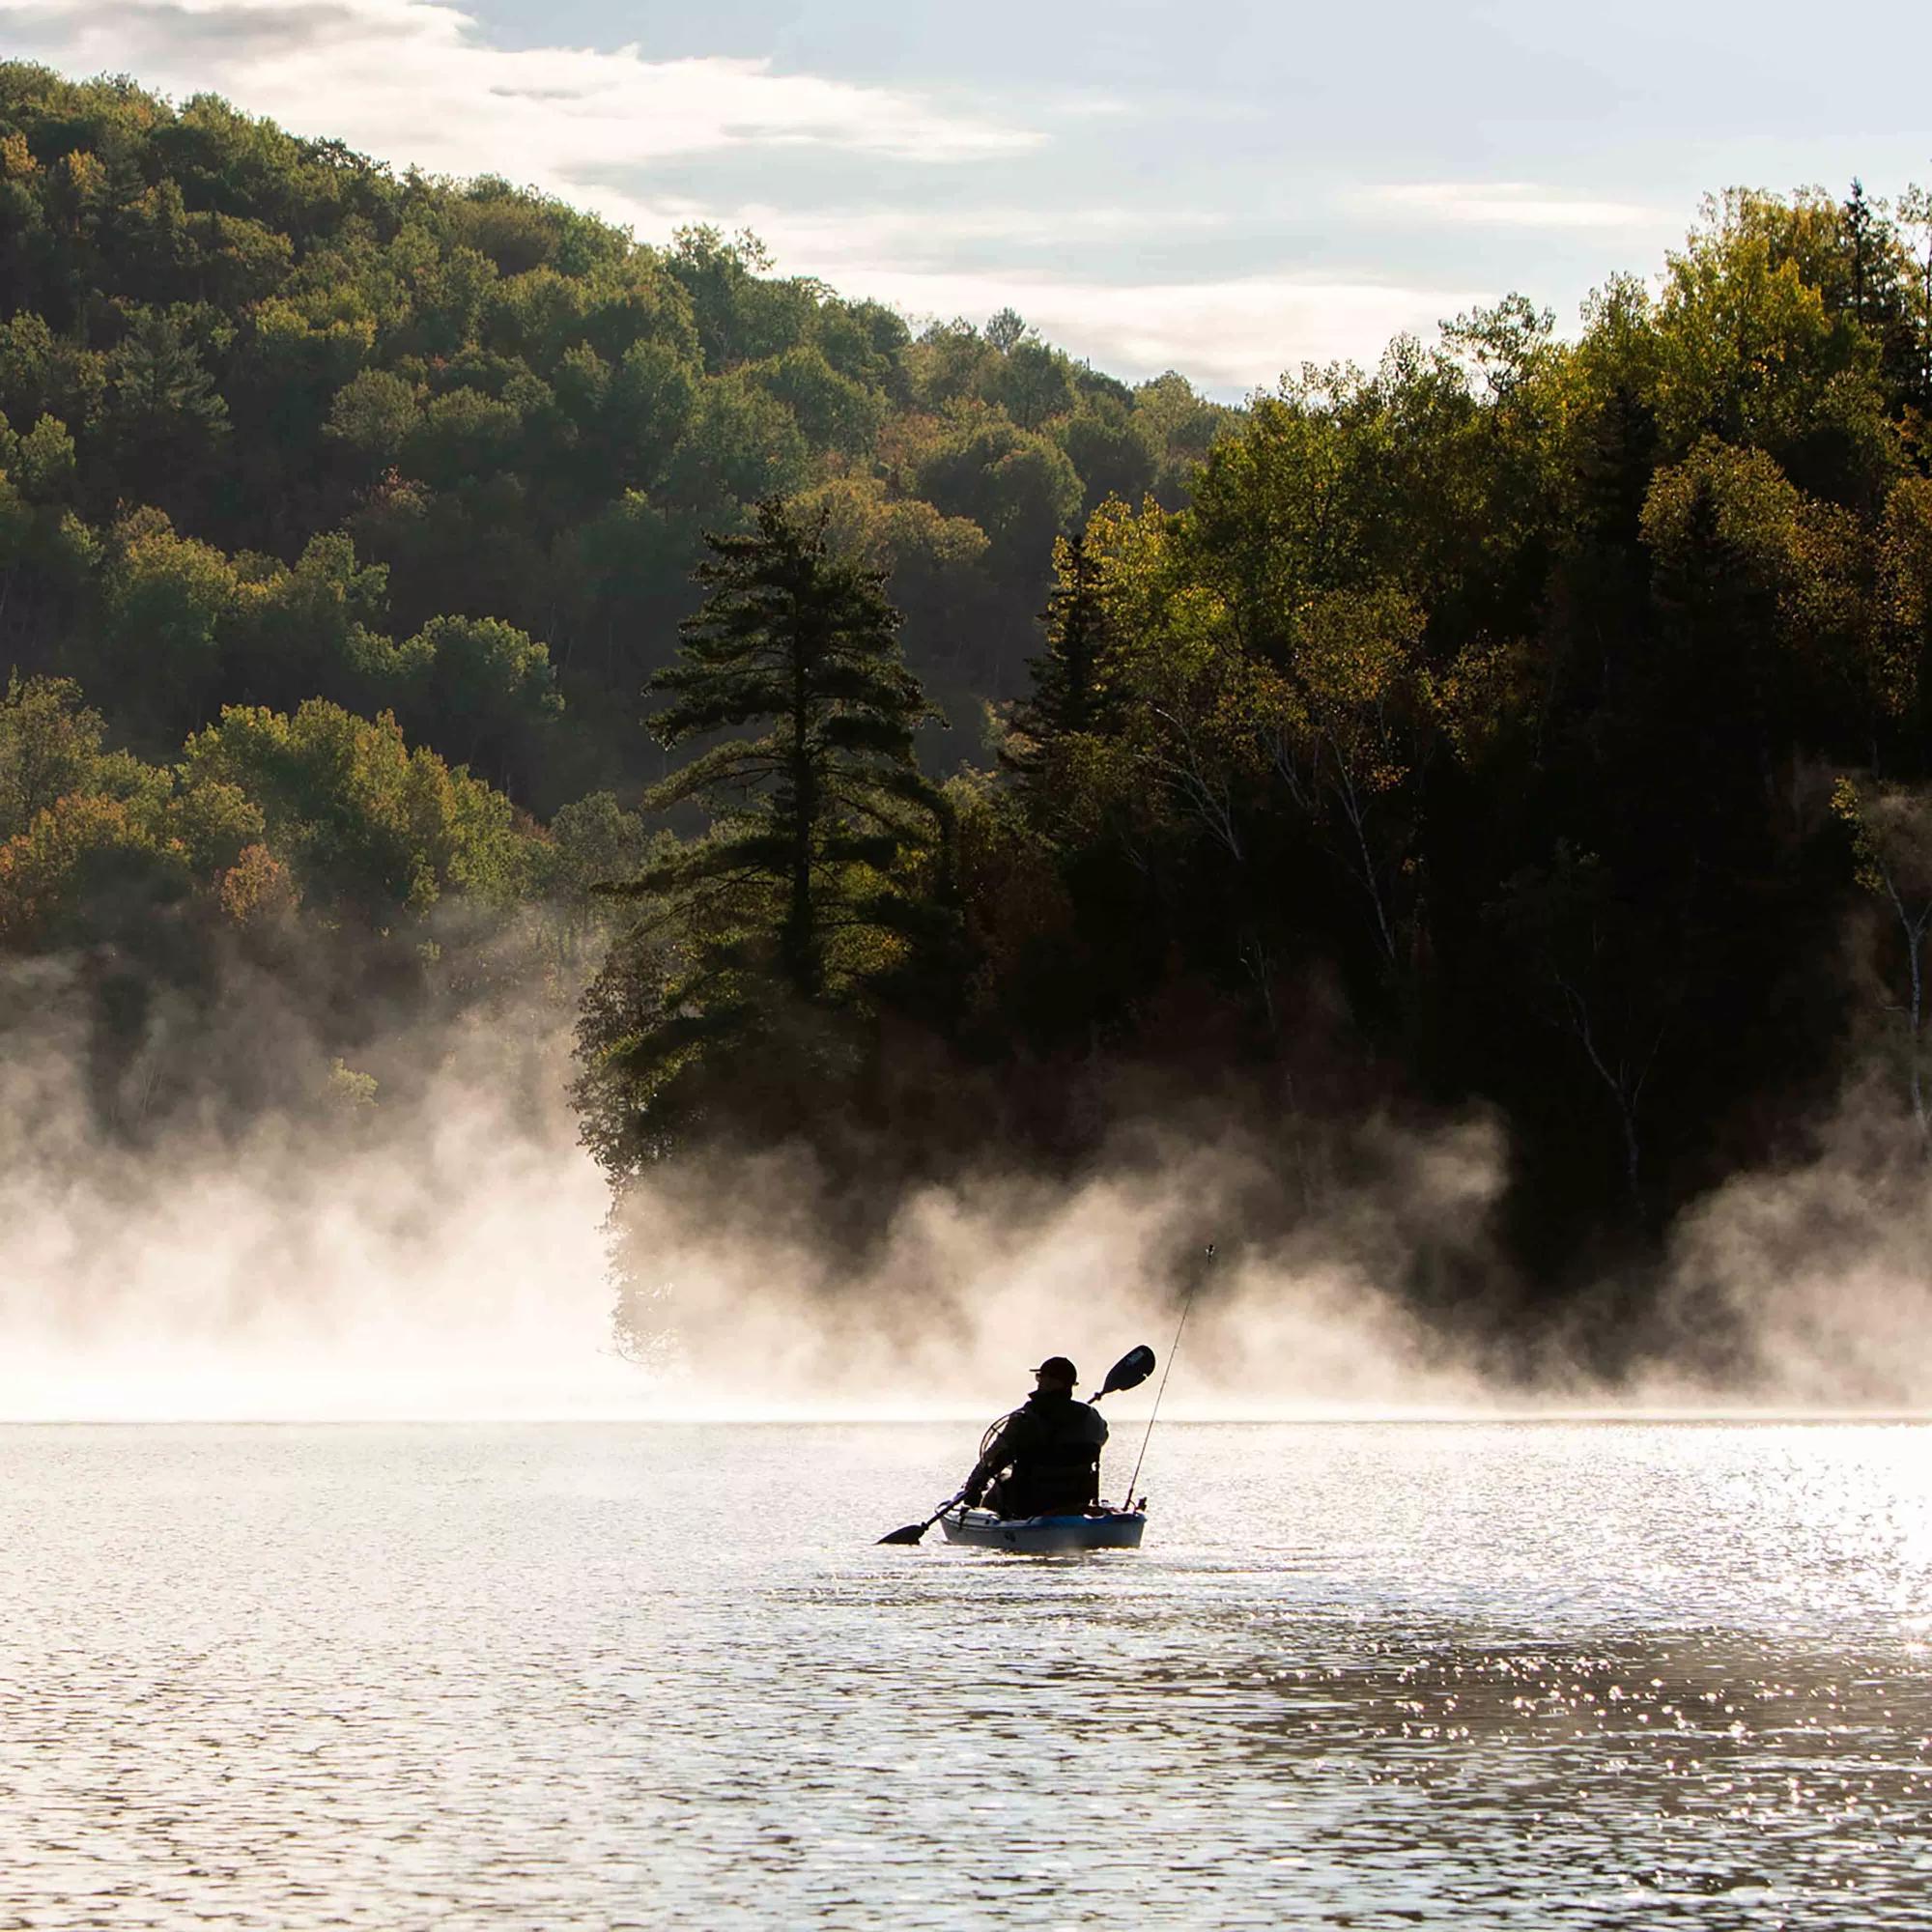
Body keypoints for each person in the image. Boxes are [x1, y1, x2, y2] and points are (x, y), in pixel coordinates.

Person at [953, 1357, 1109, 1519]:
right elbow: (1102, 1438)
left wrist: (973, 1485)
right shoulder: (1090, 1417)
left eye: (1041, 1376)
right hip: (1075, 1498)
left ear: (1051, 1381)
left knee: (1001, 1480)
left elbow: (994, 1456)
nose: (1039, 1381)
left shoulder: (1023, 1418)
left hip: (1030, 1503)